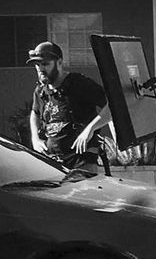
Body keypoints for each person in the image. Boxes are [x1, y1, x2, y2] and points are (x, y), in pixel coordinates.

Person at [27, 41, 112, 172]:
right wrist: (35, 138)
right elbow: (35, 113)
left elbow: (112, 107)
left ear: (59, 63)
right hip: (54, 163)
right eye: (37, 65)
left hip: (82, 161)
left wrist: (90, 129)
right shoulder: (40, 91)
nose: (40, 69)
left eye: (45, 64)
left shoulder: (79, 84)